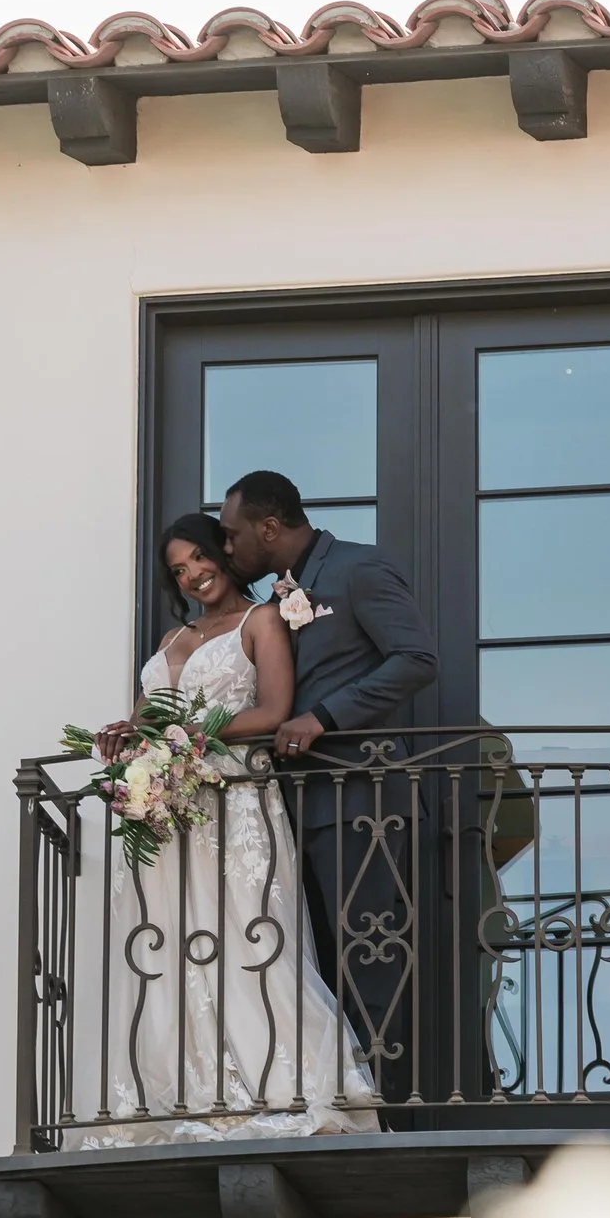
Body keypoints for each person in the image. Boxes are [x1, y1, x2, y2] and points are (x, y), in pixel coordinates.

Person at [66, 512, 374, 1145]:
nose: (192, 575)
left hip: (233, 804)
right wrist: (129, 735)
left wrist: (192, 734)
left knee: (250, 937)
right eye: (178, 570)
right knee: (169, 944)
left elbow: (273, 711)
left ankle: (278, 1090)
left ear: (222, 554)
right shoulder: (172, 637)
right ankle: (186, 1097)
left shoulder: (261, 621)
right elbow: (152, 716)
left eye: (199, 559)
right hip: (168, 809)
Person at [216, 471, 460, 1112]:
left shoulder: (359, 569)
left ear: (270, 527)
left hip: (361, 801)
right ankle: (328, 1100)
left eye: (233, 535)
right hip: (284, 811)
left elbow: (416, 659)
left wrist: (323, 717)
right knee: (307, 965)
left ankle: (384, 1113)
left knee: (368, 957)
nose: (227, 548)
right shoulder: (273, 599)